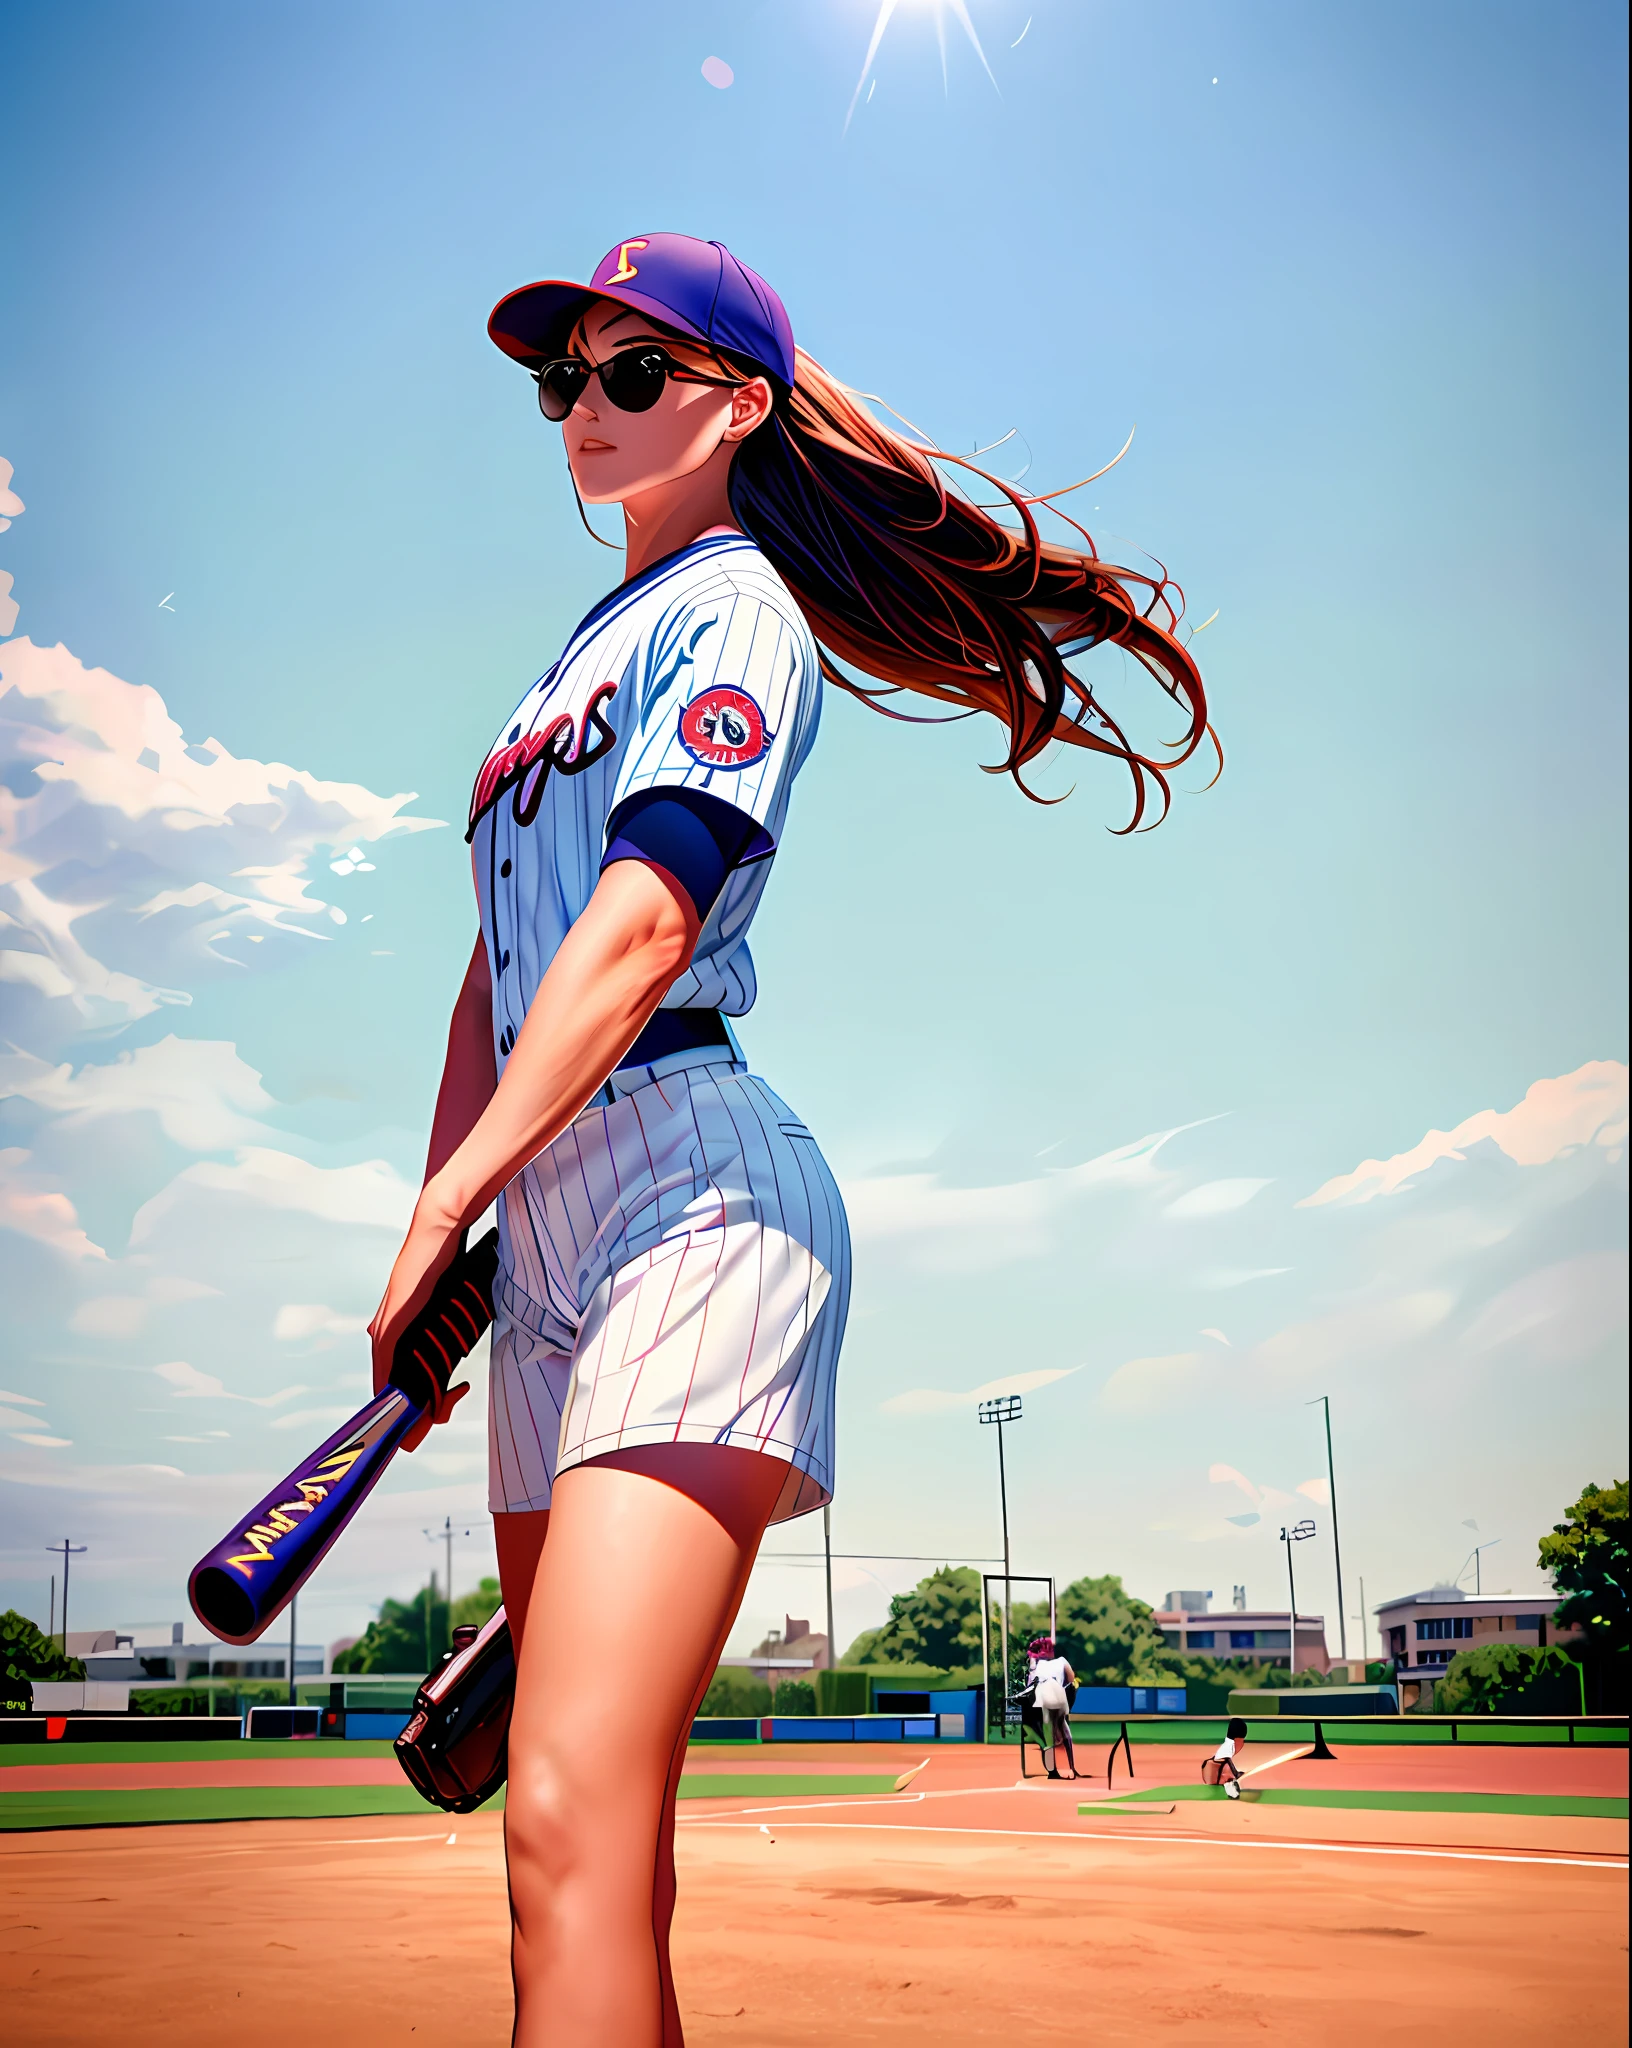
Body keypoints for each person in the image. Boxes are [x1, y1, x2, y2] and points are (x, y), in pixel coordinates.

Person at [368, 232, 1211, 2047]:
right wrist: (442, 1220)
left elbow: (645, 922)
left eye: (629, 372)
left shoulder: (736, 608)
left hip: (693, 1191)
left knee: (566, 1809)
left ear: (738, 403)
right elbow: (492, 971)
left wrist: (462, 1182)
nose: (582, 405)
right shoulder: (560, 671)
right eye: (562, 377)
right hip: (548, 1233)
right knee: (586, 1859)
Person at [1025, 1634, 1079, 1780]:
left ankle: (1052, 1771)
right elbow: (1071, 1678)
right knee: (1063, 1726)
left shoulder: (1036, 1665)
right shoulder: (1062, 1661)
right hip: (1058, 1692)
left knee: (1048, 1731)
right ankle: (1072, 1767)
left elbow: (1030, 1683)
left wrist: (1032, 1663)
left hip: (1044, 1694)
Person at [1204, 1716, 1251, 1797]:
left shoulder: (1228, 1744)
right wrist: (1236, 1774)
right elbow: (1227, 1762)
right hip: (1216, 1777)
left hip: (1217, 1772)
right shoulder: (1229, 1746)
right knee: (1235, 1793)